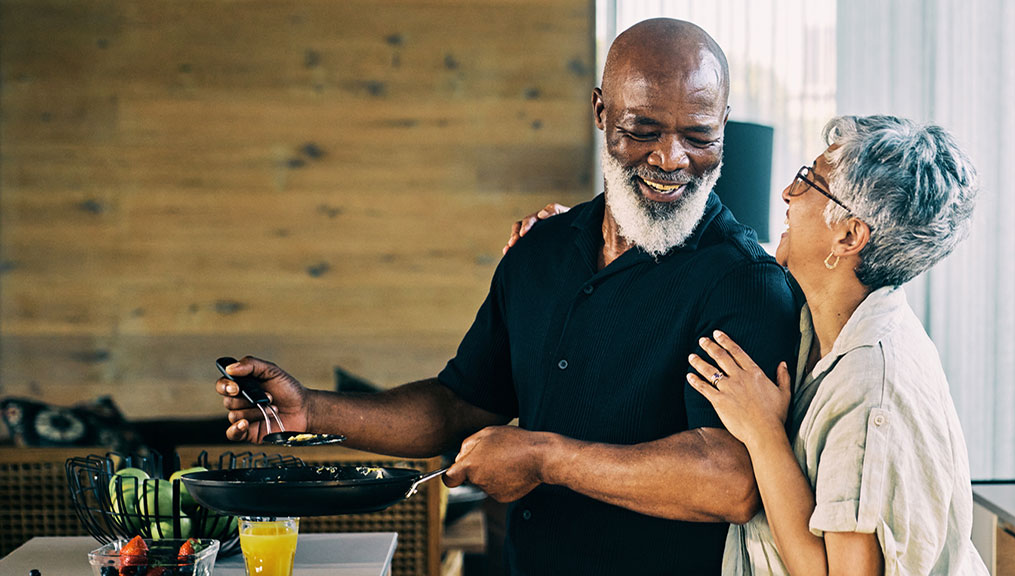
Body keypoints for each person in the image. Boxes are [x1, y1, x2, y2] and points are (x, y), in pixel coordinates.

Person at [214, 18, 800, 575]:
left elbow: (731, 480)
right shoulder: (539, 249)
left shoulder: (743, 283)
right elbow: (459, 405)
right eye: (642, 130)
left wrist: (543, 456)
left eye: (700, 136)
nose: (672, 159)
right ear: (600, 111)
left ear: (723, 122)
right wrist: (310, 411)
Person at [512, 115, 989, 575]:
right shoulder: (823, 320)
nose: (787, 192)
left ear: (848, 235)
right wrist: (586, 235)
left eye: (809, 181)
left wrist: (763, 435)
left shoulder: (870, 394)